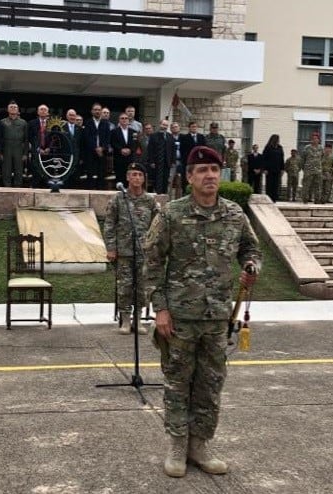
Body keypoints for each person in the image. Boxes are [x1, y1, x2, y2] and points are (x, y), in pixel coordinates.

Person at [143, 145, 262, 478]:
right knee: (178, 383)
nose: (210, 175)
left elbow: (251, 249)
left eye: (214, 169)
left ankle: (200, 446)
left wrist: (252, 265)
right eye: (203, 170)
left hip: (218, 318)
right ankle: (177, 447)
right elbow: (152, 261)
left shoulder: (234, 214)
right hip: (179, 317)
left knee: (210, 385)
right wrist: (161, 309)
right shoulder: (172, 214)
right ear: (190, 177)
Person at [103, 162, 160, 334]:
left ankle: (138, 319)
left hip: (144, 252)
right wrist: (111, 248)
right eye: (133, 174)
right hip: (124, 251)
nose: (136, 178)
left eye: (139, 175)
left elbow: (157, 226)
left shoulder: (150, 201)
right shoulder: (118, 199)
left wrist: (155, 249)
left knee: (142, 287)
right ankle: (125, 320)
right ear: (127, 177)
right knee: (124, 287)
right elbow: (109, 225)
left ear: (144, 179)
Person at [82, 102, 110, 190]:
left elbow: (107, 137)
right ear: (92, 111)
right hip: (90, 152)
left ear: (101, 111)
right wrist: (95, 148)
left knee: (101, 173)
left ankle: (100, 191)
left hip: (102, 152)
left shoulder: (106, 123)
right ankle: (90, 191)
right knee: (90, 173)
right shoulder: (88, 122)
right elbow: (87, 137)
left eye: (99, 110)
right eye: (95, 110)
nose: (97, 111)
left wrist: (102, 148)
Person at [0, 101, 28, 187]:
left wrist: (25, 153)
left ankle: (18, 189)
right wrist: (0, 152)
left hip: (19, 148)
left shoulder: (23, 123)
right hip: (6, 148)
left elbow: (26, 139)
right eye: (11, 107)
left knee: (18, 171)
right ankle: (6, 189)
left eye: (15, 107)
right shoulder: (2, 122)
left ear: (18, 110)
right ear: (7, 109)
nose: (13, 108)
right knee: (6, 171)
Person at [110, 112, 137, 187]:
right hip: (119, 158)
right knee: (119, 178)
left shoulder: (134, 132)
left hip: (130, 159)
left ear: (128, 120)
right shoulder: (114, 131)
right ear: (119, 120)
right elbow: (113, 142)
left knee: (129, 178)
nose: (124, 120)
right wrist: (121, 150)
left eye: (126, 118)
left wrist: (130, 150)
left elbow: (135, 143)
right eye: (122, 118)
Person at [147, 119, 173, 194]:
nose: (165, 127)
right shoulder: (153, 136)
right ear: (160, 125)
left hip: (166, 162)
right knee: (156, 180)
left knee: (165, 180)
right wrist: (151, 161)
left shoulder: (170, 136)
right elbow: (150, 150)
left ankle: (164, 196)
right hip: (156, 162)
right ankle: (157, 195)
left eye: (166, 125)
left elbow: (173, 149)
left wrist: (172, 161)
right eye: (163, 125)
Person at [179, 122, 206, 192]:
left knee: (197, 177)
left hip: (198, 162)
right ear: (189, 128)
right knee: (187, 178)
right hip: (188, 162)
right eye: (192, 127)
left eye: (195, 127)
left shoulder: (201, 137)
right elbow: (182, 150)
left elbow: (204, 149)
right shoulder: (184, 137)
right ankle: (186, 192)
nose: (194, 128)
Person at [300, 133, 323, 203]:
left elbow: (322, 158)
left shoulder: (321, 148)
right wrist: (304, 168)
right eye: (313, 139)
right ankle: (305, 199)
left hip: (318, 170)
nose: (314, 140)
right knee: (306, 185)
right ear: (311, 140)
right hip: (308, 170)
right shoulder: (307, 147)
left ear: (319, 140)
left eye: (316, 139)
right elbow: (303, 158)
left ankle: (317, 200)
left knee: (318, 186)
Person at [261, 134, 284, 202]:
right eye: (277, 139)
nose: (278, 141)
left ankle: (274, 198)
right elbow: (264, 158)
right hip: (269, 169)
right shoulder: (268, 147)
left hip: (277, 169)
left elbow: (281, 158)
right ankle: (269, 198)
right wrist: (264, 169)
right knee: (270, 184)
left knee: (276, 184)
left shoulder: (280, 147)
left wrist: (282, 168)